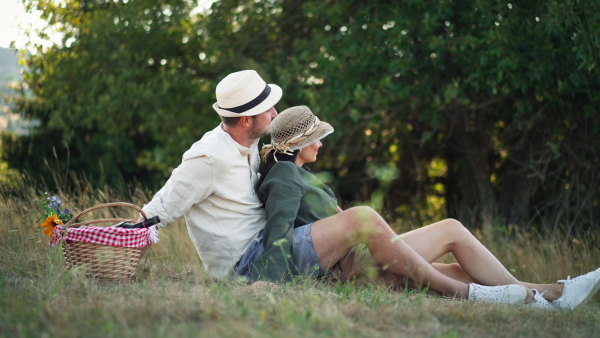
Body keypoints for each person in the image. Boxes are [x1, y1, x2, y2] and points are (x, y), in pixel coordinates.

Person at [239, 105, 600, 310]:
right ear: (301, 142)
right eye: (317, 138)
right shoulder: (285, 175)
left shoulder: (299, 173)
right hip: (352, 263)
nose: (321, 144)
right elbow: (279, 231)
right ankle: (545, 296)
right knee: (452, 229)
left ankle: (548, 294)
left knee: (458, 267)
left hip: (358, 256)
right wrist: (266, 283)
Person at [142, 70, 280, 278]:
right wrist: (115, 261)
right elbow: (158, 210)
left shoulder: (249, 141)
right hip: (247, 262)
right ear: (245, 121)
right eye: (267, 109)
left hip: (268, 242)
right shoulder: (209, 157)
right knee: (348, 223)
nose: (275, 113)